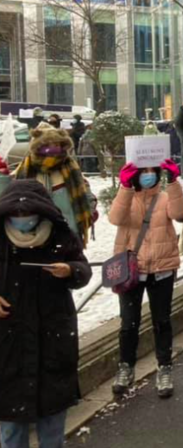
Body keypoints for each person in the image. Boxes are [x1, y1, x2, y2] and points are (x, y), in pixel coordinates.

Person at [0, 181, 91, 448]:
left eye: (27, 214)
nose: (22, 220)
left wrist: (70, 270)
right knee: (10, 432)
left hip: (53, 342)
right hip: (8, 350)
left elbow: (83, 269)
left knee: (52, 432)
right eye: (16, 215)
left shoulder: (60, 236)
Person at [108, 158, 183, 399]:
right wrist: (124, 188)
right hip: (131, 269)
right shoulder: (127, 196)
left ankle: (164, 368)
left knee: (162, 321)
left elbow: (181, 214)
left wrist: (173, 182)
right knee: (128, 322)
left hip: (161, 268)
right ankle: (126, 366)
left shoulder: (164, 197)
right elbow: (115, 218)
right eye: (144, 172)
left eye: (153, 171)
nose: (148, 176)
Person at [10, 122, 94, 246]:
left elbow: (87, 194)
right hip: (35, 236)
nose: (52, 149)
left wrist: (89, 212)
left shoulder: (71, 169)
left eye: (56, 144)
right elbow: (10, 197)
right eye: (47, 145)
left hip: (69, 233)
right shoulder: (25, 170)